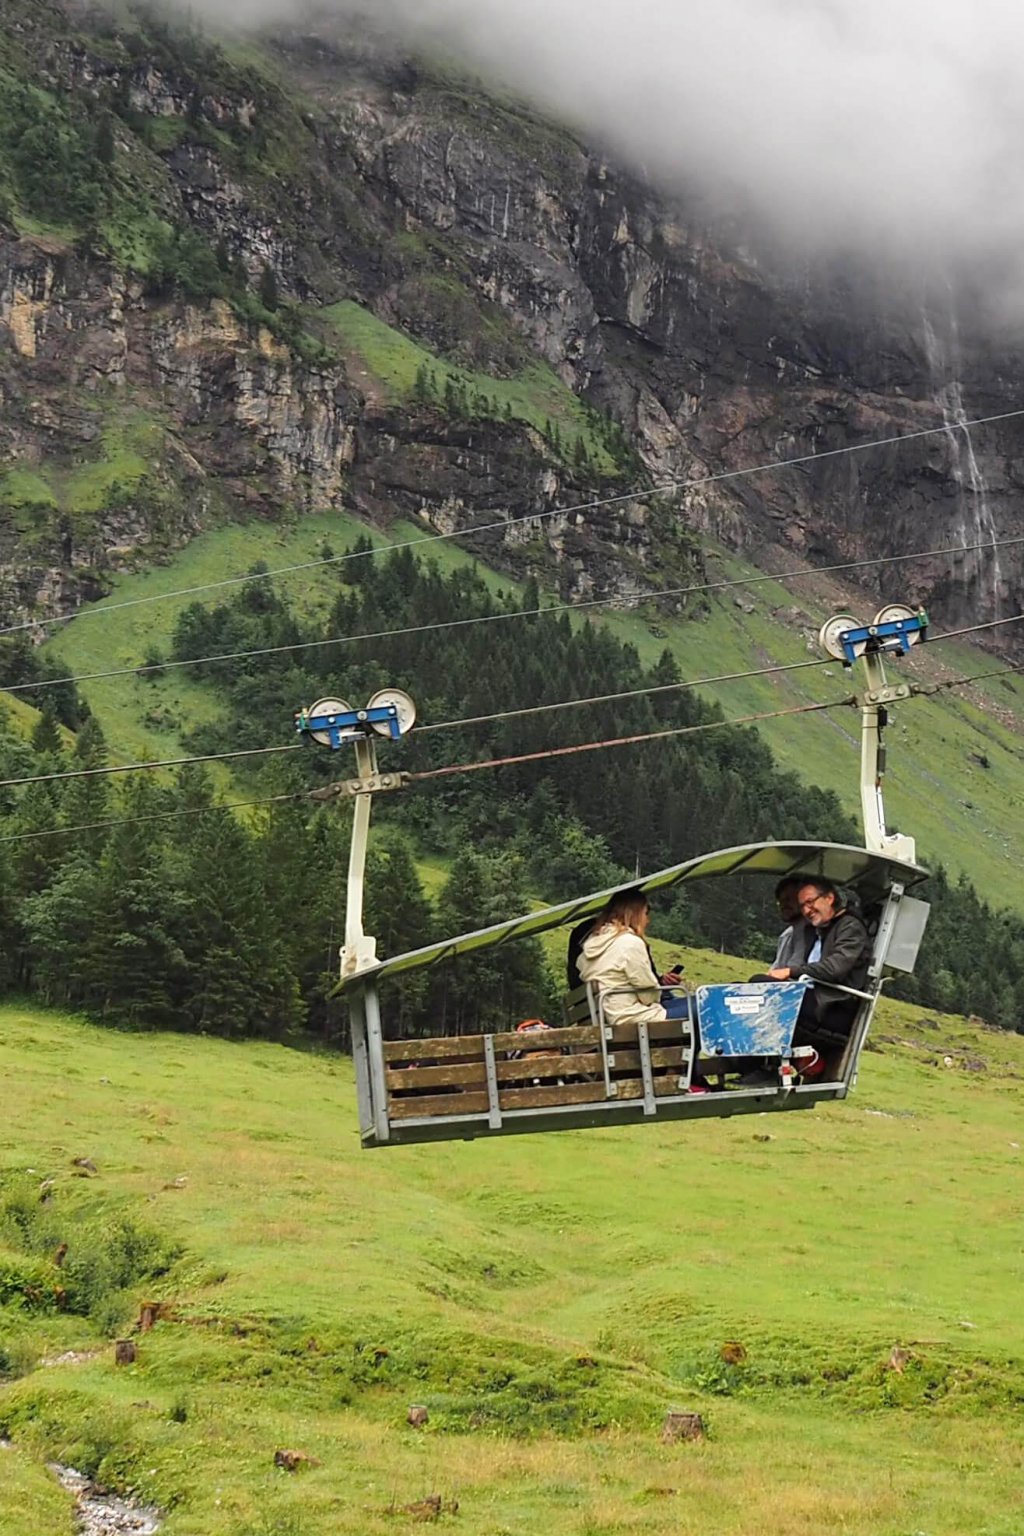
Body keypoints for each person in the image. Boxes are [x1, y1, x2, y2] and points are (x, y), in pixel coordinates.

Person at [767, 877, 871, 1067]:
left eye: (810, 902)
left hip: (831, 1005)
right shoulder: (818, 930)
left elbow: (834, 969)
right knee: (743, 993)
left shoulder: (850, 927)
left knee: (761, 991)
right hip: (812, 998)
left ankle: (763, 1068)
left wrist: (791, 971)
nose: (807, 910)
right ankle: (751, 1065)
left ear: (829, 898)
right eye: (803, 906)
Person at [577, 891, 691, 1027]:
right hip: (633, 1017)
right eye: (645, 914)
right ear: (634, 915)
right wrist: (657, 992)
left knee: (700, 1003)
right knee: (710, 1004)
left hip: (613, 1014)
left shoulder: (595, 943)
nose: (647, 921)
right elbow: (649, 996)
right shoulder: (629, 943)